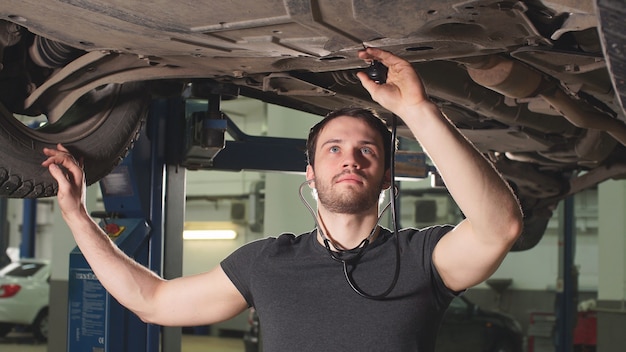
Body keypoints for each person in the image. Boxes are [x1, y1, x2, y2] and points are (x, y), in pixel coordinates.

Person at [42, 47, 523, 351]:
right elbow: (152, 301)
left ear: (385, 178)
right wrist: (76, 214)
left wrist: (417, 110)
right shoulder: (268, 263)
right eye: (334, 149)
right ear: (310, 174)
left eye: (366, 151)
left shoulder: (421, 260)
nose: (350, 159)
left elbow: (499, 226)